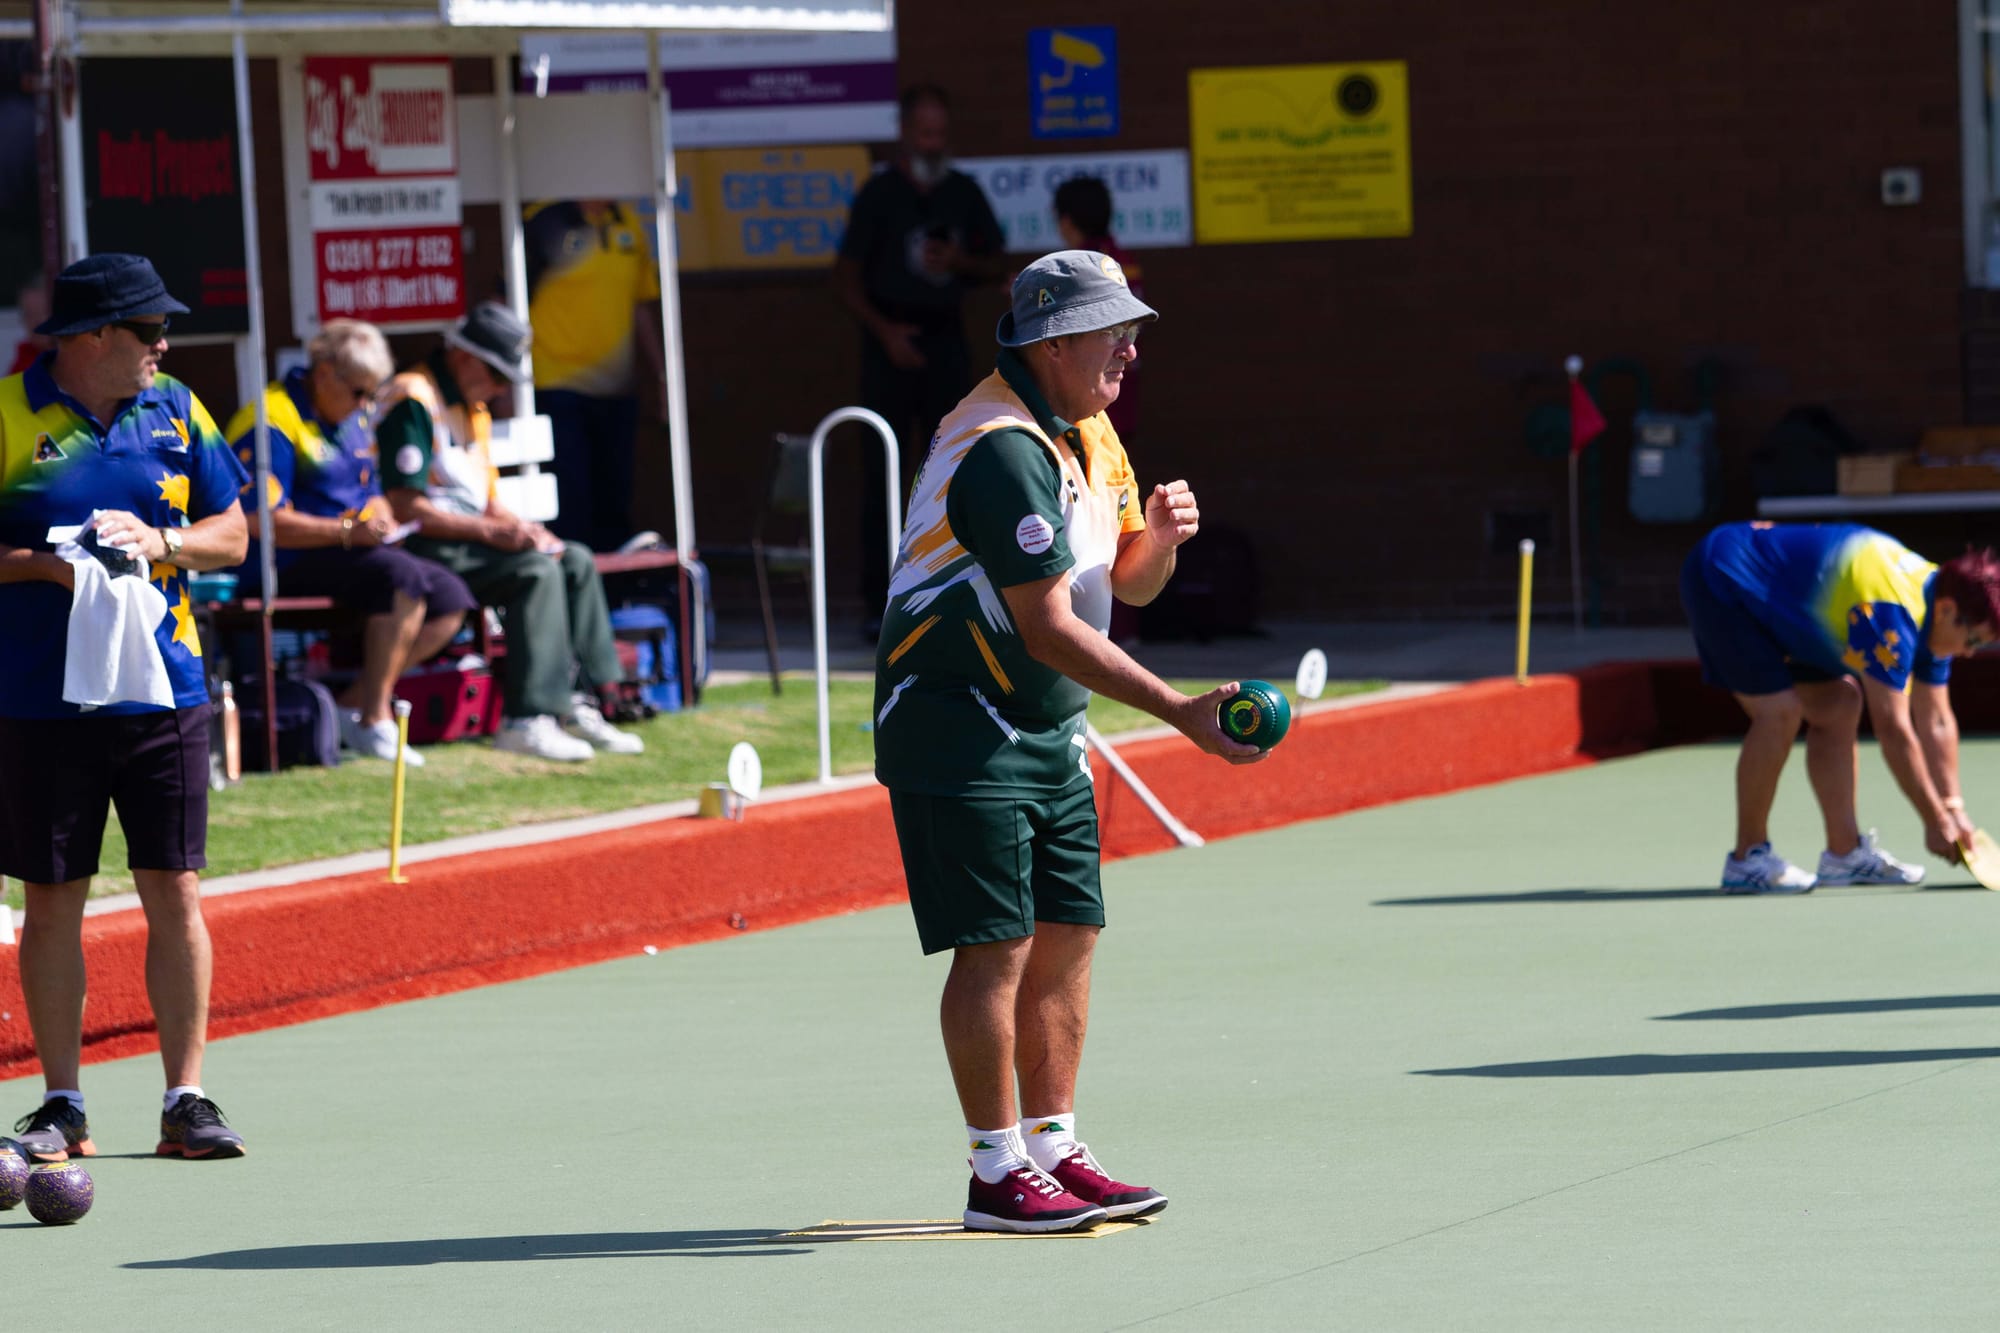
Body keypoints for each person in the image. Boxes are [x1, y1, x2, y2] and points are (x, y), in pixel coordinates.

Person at [872, 250, 1264, 1234]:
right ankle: (994, 1171)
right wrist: (1180, 711)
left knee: (1069, 935)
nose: (1130, 347)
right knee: (995, 947)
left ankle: (1052, 1147)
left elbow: (1124, 585)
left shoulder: (1087, 433)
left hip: (1045, 724)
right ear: (1050, 340)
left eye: (1132, 328)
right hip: (957, 723)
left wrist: (1161, 543)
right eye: (1111, 329)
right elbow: (1046, 624)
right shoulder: (999, 446)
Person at [0, 252, 250, 1161]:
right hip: (40, 696)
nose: (164, 344)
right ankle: (62, 1103)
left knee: (175, 887)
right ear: (93, 337)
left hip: (167, 688)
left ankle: (186, 1097)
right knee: (52, 896)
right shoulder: (7, 411)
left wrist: (166, 540)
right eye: (148, 330)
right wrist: (45, 566)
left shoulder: (178, 407)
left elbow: (234, 532)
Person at [378, 301, 642, 763]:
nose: (500, 390)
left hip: (467, 541)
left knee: (571, 556)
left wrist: (525, 529)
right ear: (464, 358)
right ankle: (528, 719)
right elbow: (404, 505)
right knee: (534, 573)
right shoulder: (413, 399)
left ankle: (585, 699)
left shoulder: (470, 405)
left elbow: (487, 497)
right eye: (496, 375)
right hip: (421, 545)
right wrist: (493, 534)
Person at [1680, 520, 2000, 893]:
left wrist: (1953, 807)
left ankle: (1843, 854)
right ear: (1947, 610)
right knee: (1779, 712)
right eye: (1972, 638)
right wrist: (1933, 819)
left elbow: (1937, 720)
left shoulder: (1940, 605)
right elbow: (1893, 727)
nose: (1969, 652)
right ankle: (1746, 858)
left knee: (1840, 704)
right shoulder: (1892, 614)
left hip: (1788, 603)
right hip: (1725, 577)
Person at [224, 318, 477, 765]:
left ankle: (351, 705)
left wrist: (378, 516)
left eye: (370, 395)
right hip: (279, 563)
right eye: (359, 392)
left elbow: (372, 491)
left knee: (451, 596)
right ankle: (375, 719)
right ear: (324, 374)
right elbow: (259, 520)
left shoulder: (352, 418)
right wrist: (346, 532)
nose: (364, 404)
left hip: (349, 553)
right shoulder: (271, 418)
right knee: (402, 578)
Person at [834, 84, 1007, 636]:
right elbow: (844, 276)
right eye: (925, 132)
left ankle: (951, 591)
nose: (934, 142)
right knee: (882, 472)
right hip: (887, 339)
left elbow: (997, 265)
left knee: (953, 467)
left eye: (941, 132)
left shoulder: (962, 191)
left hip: (945, 339)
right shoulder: (880, 193)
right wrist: (886, 333)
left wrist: (959, 260)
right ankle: (876, 602)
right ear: (906, 132)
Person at [523, 199, 666, 552]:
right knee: (571, 496)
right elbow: (507, 296)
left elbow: (640, 305)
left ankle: (613, 597)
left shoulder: (629, 222)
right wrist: (508, 383)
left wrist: (662, 377)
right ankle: (574, 586)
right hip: (555, 384)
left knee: (615, 498)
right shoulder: (545, 218)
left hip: (616, 390)